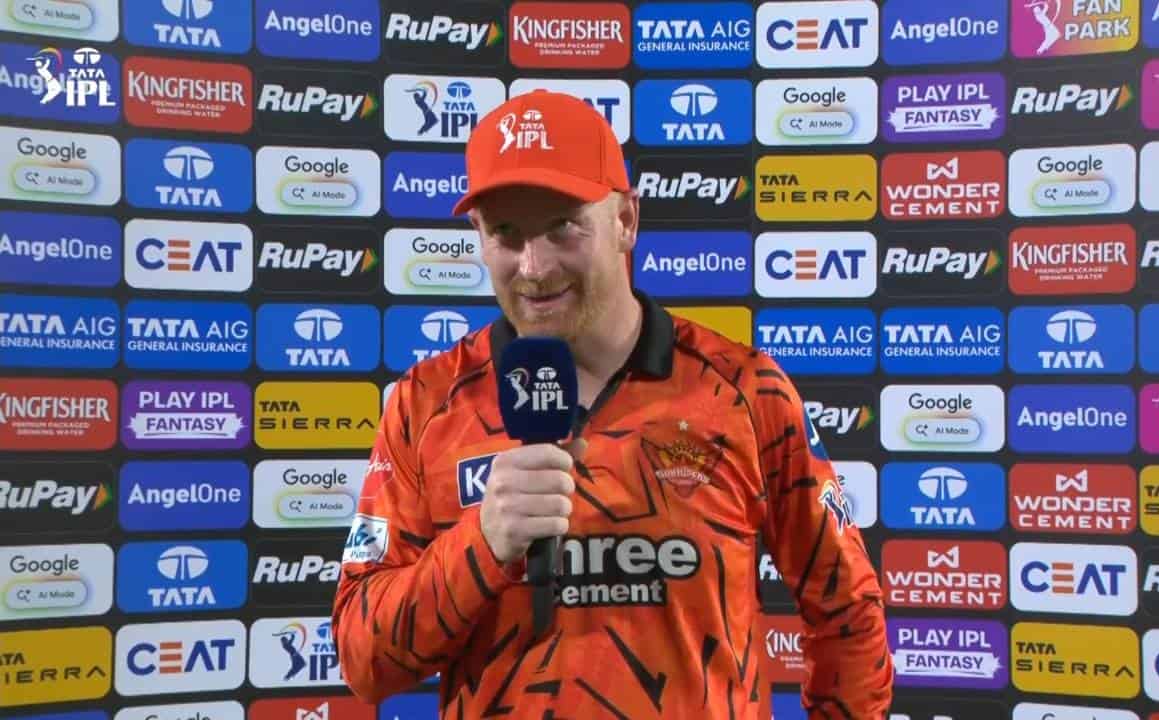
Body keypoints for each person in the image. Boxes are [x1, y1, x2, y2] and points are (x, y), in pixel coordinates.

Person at [331, 89, 894, 719]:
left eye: (562, 226)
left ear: (625, 220)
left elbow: (848, 613)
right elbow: (363, 660)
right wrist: (482, 544)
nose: (534, 267)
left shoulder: (744, 391)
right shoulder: (428, 402)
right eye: (505, 232)